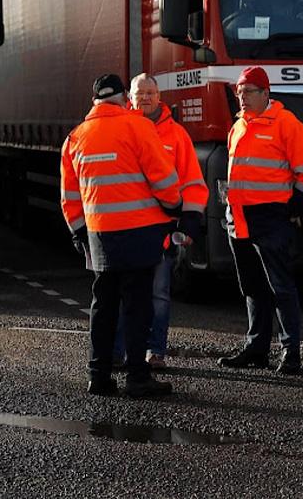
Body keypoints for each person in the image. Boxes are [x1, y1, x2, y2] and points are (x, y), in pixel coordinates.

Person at [60, 73, 182, 397]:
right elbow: (164, 178)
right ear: (124, 96)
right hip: (140, 232)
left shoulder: (76, 137)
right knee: (137, 305)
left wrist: (78, 231)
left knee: (103, 303)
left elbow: (70, 195)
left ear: (95, 99)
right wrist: (175, 208)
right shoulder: (138, 127)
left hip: (100, 234)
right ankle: (137, 377)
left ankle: (98, 375)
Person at [217, 66, 303, 375]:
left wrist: (292, 209)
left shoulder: (286, 124)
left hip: (271, 216)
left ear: (266, 93)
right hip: (240, 217)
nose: (242, 98)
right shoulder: (238, 126)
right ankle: (257, 348)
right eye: (239, 93)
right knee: (252, 286)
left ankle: (291, 352)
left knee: (281, 287)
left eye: (249, 92)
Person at [112, 73, 209, 370]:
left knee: (158, 294)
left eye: (150, 93)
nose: (145, 98)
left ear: (159, 96)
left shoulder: (176, 135)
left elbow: (192, 181)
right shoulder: (117, 129)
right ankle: (119, 353)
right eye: (139, 93)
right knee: (119, 295)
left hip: (161, 231)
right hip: (123, 228)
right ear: (130, 97)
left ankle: (155, 352)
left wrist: (190, 222)